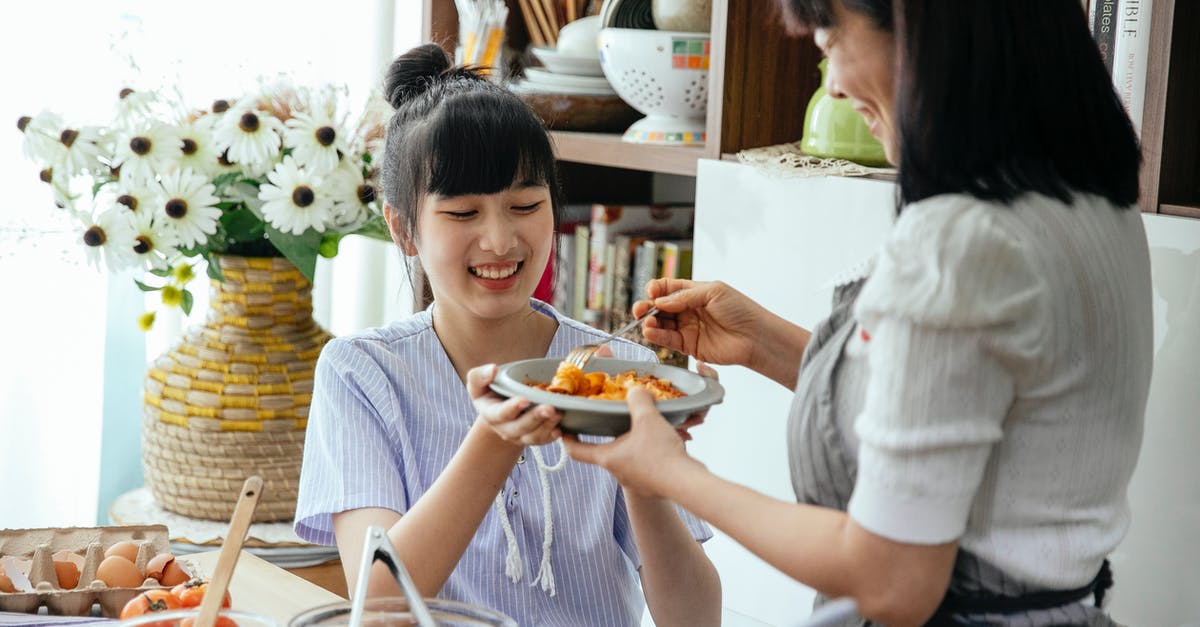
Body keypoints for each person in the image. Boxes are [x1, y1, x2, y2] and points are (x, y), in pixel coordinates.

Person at [565, 1, 1151, 625]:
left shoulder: (958, 245)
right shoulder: (1098, 212)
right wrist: (762, 341)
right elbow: (959, 401)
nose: (836, 85)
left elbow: (890, 580)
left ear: (921, 30)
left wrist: (669, 474)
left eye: (832, 40)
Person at [293, 44, 721, 627]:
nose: (500, 241)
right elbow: (380, 603)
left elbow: (694, 620)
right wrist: (497, 436)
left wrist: (642, 474)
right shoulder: (360, 373)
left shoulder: (618, 368)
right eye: (463, 214)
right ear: (403, 227)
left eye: (525, 205)